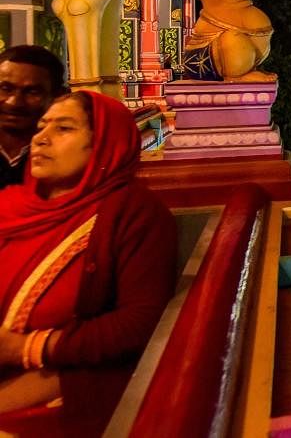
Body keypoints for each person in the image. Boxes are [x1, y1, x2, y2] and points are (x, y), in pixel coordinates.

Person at [0, 91, 177, 435]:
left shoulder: (133, 214)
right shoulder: (11, 207)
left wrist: (26, 347)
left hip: (58, 390)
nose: (41, 137)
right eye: (41, 126)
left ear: (103, 145)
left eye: (64, 129)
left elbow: (140, 323)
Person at [0, 46, 67, 190]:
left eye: (32, 92)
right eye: (5, 89)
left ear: (58, 96)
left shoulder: (66, 155)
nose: (14, 102)